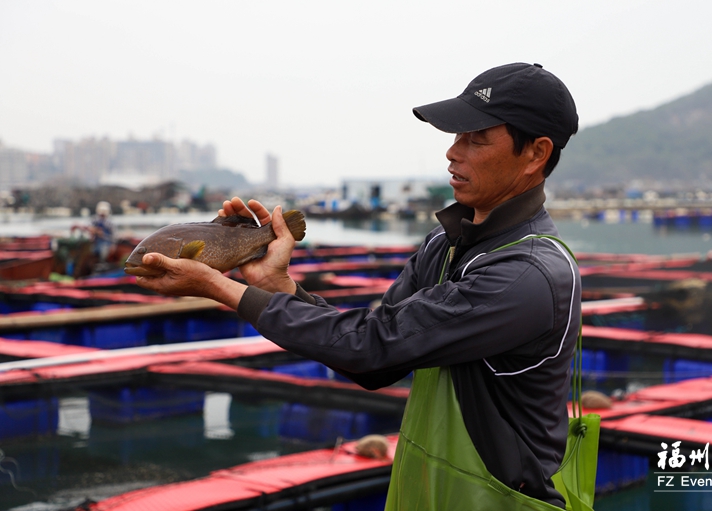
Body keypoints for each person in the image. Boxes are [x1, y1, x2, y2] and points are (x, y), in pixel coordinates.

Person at [135, 62, 582, 510]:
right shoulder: (446, 245)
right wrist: (276, 285)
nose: (453, 152)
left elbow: (372, 345)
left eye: (476, 139)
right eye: (456, 137)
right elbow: (373, 360)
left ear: (536, 153)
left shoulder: (528, 274)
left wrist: (221, 288)